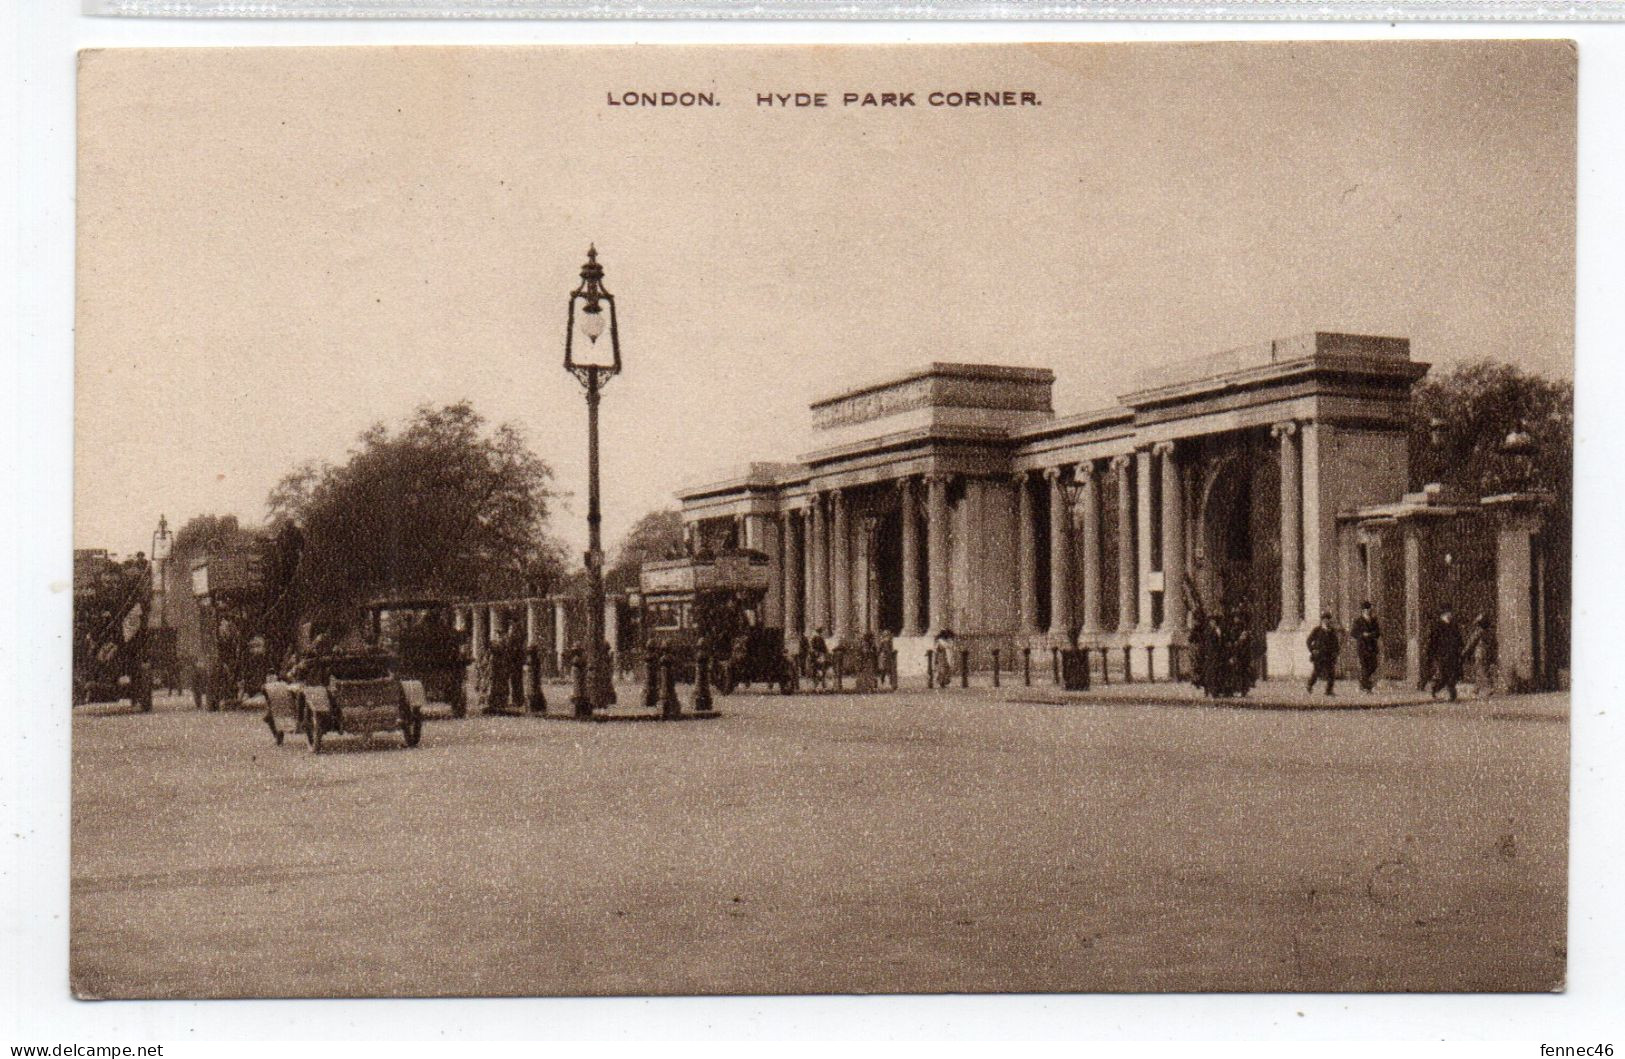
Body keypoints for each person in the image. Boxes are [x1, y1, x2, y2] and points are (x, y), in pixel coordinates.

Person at [1424, 604, 1465, 702]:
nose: (1451, 614)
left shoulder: (1454, 625)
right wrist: (1431, 654)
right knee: (1444, 676)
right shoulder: (1437, 626)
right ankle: (1435, 690)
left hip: (1453, 654)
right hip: (1441, 655)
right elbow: (1432, 642)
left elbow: (1459, 639)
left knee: (1452, 675)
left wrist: (1460, 648)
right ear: (1444, 614)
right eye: (1449, 612)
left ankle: (1451, 695)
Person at [1306, 611, 1340, 696]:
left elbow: (1336, 643)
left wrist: (1336, 652)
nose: (1326, 621)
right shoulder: (1317, 630)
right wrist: (1312, 650)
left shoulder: (1332, 631)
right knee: (1317, 672)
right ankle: (1309, 685)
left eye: (1328, 619)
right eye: (1324, 619)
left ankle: (1329, 691)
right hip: (1319, 655)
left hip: (1329, 655)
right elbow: (1309, 641)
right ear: (1322, 620)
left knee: (1331, 673)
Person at [1351, 601, 1382, 693]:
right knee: (1365, 666)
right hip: (1363, 647)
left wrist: (1371, 634)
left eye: (1369, 609)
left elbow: (1378, 633)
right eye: (1366, 609)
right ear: (1362, 611)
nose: (1368, 611)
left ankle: (1362, 682)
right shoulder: (1358, 621)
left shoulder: (1374, 620)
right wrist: (1362, 635)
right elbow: (1353, 633)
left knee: (1373, 666)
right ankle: (1367, 687)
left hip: (1372, 647)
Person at [1463, 613, 1496, 699]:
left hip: (1480, 653)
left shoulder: (1479, 631)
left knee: (1481, 670)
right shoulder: (1490, 632)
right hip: (1488, 653)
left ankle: (1489, 687)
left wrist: (1464, 652)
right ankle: (1476, 689)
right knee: (1483, 670)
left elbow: (1471, 642)